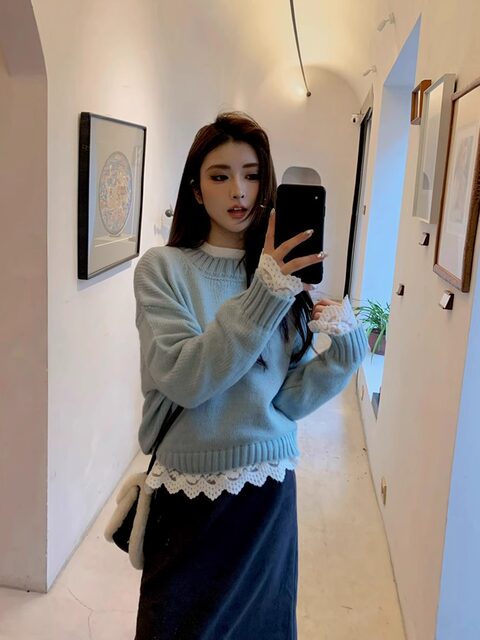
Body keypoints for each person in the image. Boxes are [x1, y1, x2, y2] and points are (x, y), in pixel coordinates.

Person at [133, 112, 367, 639]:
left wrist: (346, 350)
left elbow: (286, 400)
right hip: (189, 494)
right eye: (219, 176)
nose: (238, 190)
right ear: (196, 190)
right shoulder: (163, 269)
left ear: (267, 186)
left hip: (268, 490)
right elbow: (186, 377)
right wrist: (266, 291)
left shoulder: (281, 278)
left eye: (252, 175)